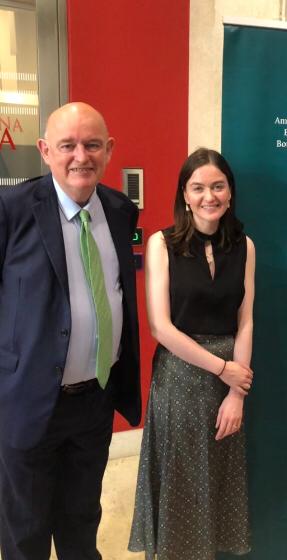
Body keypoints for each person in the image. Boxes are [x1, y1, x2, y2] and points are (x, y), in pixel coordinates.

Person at [0, 102, 141, 560]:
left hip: (93, 401)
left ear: (109, 150)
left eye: (92, 144)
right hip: (27, 403)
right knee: (25, 531)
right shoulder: (12, 209)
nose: (81, 156)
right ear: (45, 150)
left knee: (83, 522)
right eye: (67, 145)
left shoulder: (120, 211)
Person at [129, 148, 255, 559]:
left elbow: (246, 320)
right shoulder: (161, 244)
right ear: (185, 194)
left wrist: (236, 392)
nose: (209, 196)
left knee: (215, 486)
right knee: (180, 484)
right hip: (180, 380)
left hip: (228, 385)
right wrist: (224, 369)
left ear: (230, 193)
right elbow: (161, 328)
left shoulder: (245, 246)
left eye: (218, 186)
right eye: (198, 187)